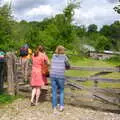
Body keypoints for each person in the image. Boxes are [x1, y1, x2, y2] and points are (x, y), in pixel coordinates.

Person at [50, 45, 70, 113]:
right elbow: (68, 66)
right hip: (60, 75)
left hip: (52, 75)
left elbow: (51, 63)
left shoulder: (53, 55)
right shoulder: (64, 56)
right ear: (62, 50)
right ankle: (61, 106)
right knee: (61, 91)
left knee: (54, 91)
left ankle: (54, 108)